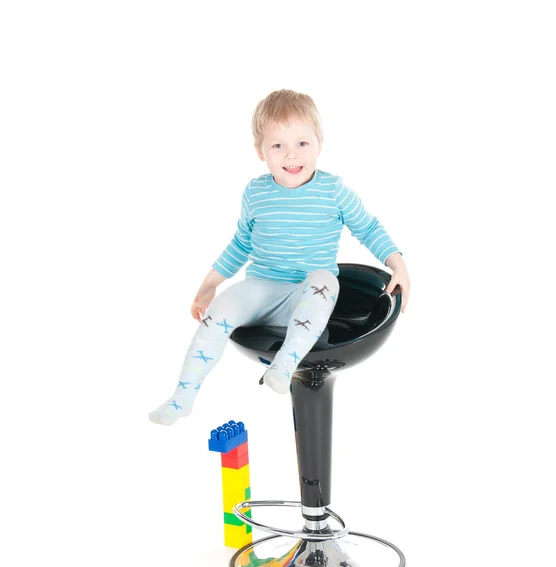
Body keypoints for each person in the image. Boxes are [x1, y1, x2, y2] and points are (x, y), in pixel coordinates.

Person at [149, 89, 411, 426]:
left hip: (309, 297)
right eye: (278, 146)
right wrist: (208, 286)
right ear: (260, 151)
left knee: (325, 279)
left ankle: (285, 364)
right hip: (262, 290)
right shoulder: (256, 193)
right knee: (221, 310)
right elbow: (240, 244)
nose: (291, 154)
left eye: (302, 143)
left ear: (319, 143)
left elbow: (369, 228)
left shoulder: (333, 191)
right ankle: (183, 396)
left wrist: (398, 263)